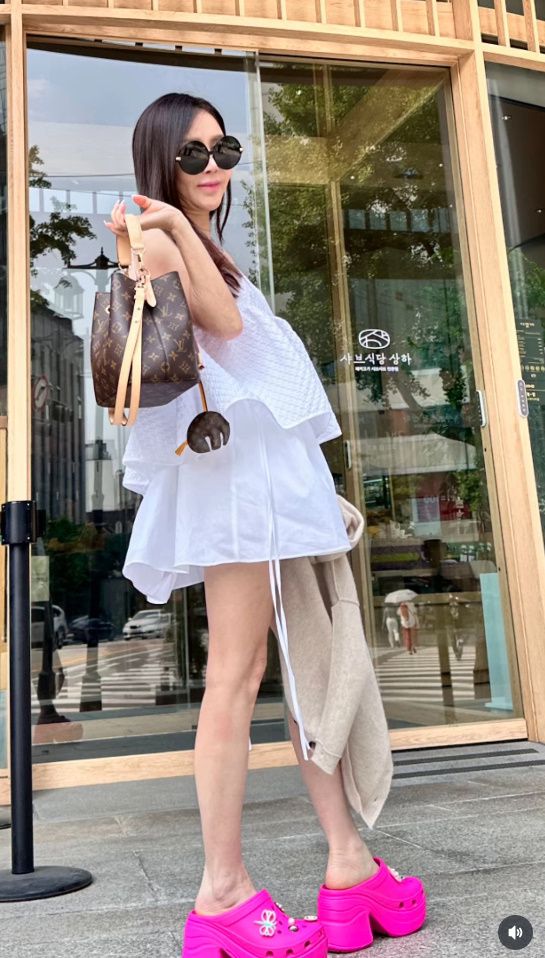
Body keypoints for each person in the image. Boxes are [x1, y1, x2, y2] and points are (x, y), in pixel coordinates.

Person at [105, 91, 425, 956]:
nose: (213, 167)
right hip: (234, 485)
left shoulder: (194, 239)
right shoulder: (159, 235)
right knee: (238, 675)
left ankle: (348, 862)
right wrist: (173, 223)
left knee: (305, 663)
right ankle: (221, 892)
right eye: (192, 155)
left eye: (224, 150)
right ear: (161, 162)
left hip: (261, 479)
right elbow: (224, 324)